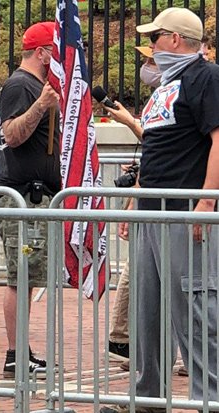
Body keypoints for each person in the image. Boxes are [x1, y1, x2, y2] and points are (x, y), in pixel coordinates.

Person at [100, 8, 219, 413]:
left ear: (174, 39)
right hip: (153, 209)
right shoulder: (168, 83)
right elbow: (158, 146)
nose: (150, 46)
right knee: (148, 310)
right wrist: (136, 193)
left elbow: (218, 139)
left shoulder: (206, 77)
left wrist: (206, 201)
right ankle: (148, 398)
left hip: (185, 212)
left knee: (196, 310)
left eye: (155, 38)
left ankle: (210, 399)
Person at [0, 21, 61, 378]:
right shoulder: (21, 85)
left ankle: (20, 351)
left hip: (37, 199)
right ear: (41, 52)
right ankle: (15, 353)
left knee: (27, 276)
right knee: (20, 276)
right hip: (25, 199)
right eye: (56, 52)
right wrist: (40, 105)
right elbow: (11, 134)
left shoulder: (35, 85)